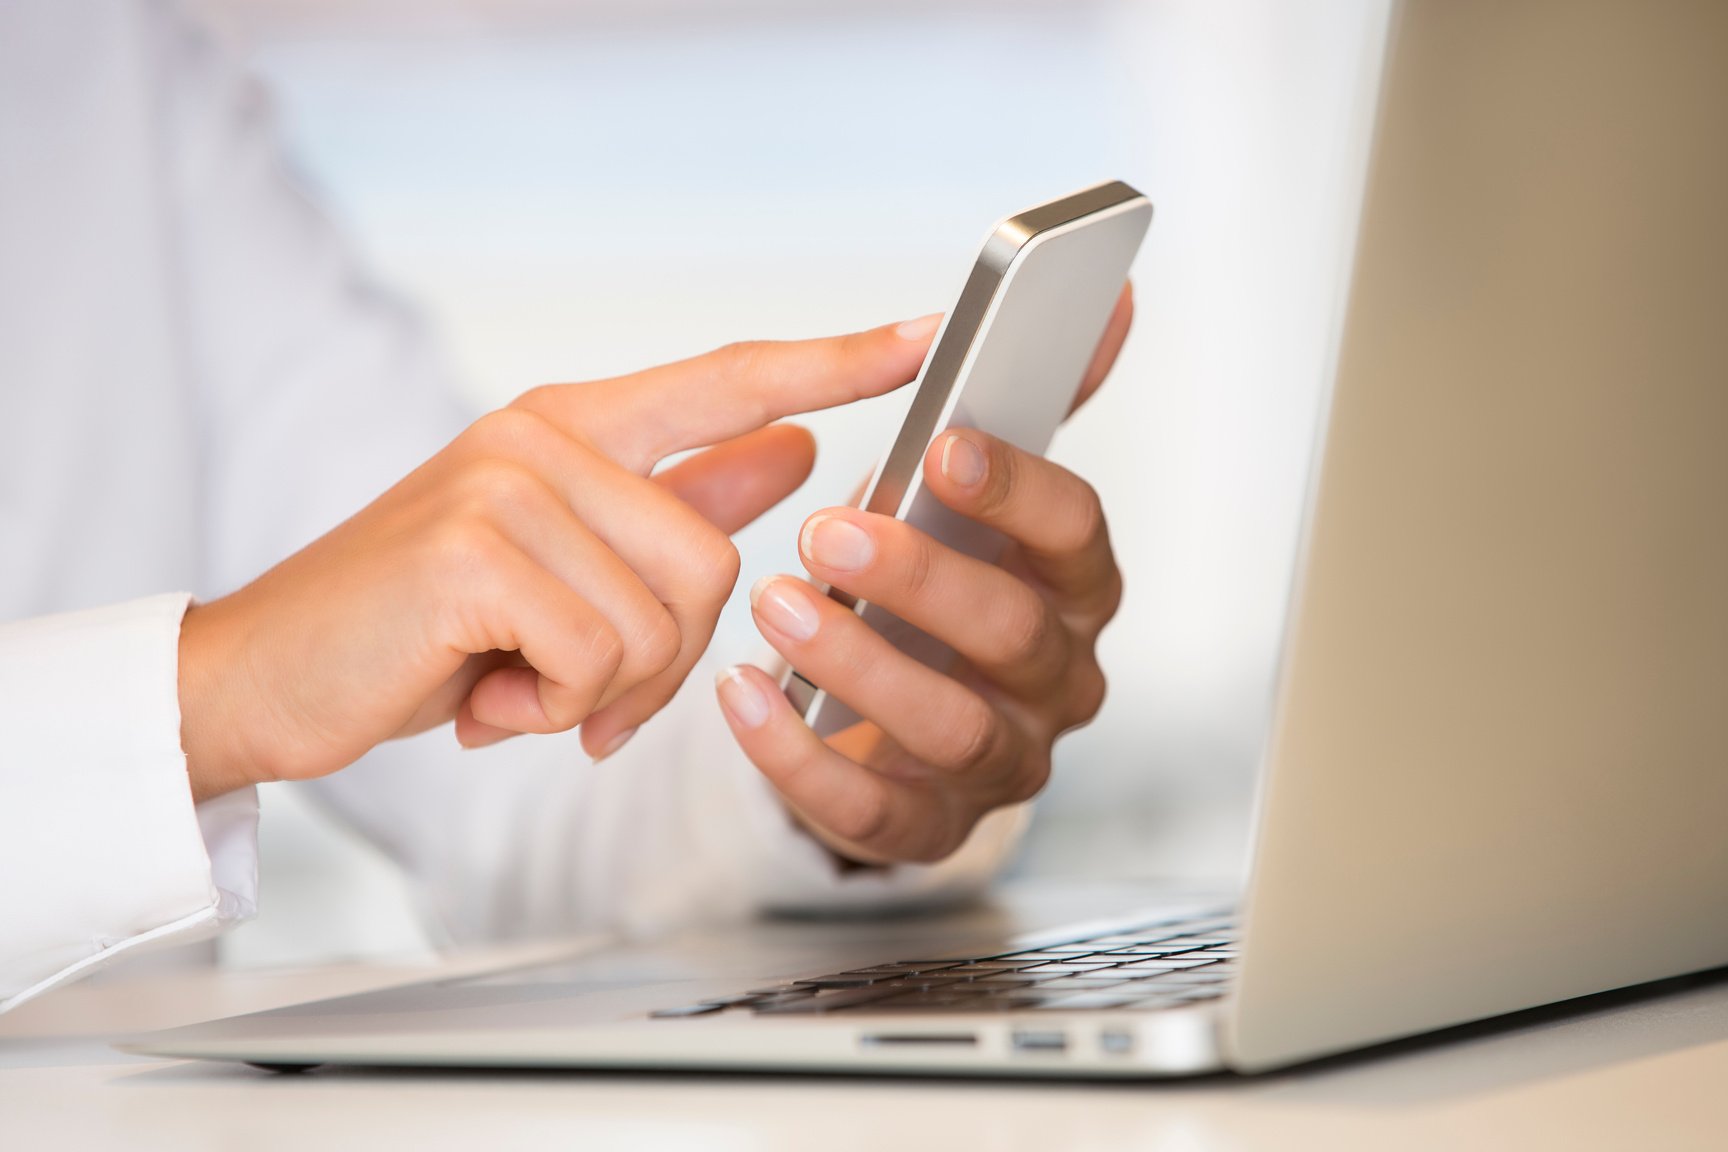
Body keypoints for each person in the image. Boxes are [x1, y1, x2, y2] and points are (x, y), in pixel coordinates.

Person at [0, 0, 1129, 1013]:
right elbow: (298, 659)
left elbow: (522, 785)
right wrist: (211, 695)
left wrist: (832, 766)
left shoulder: (105, 55)